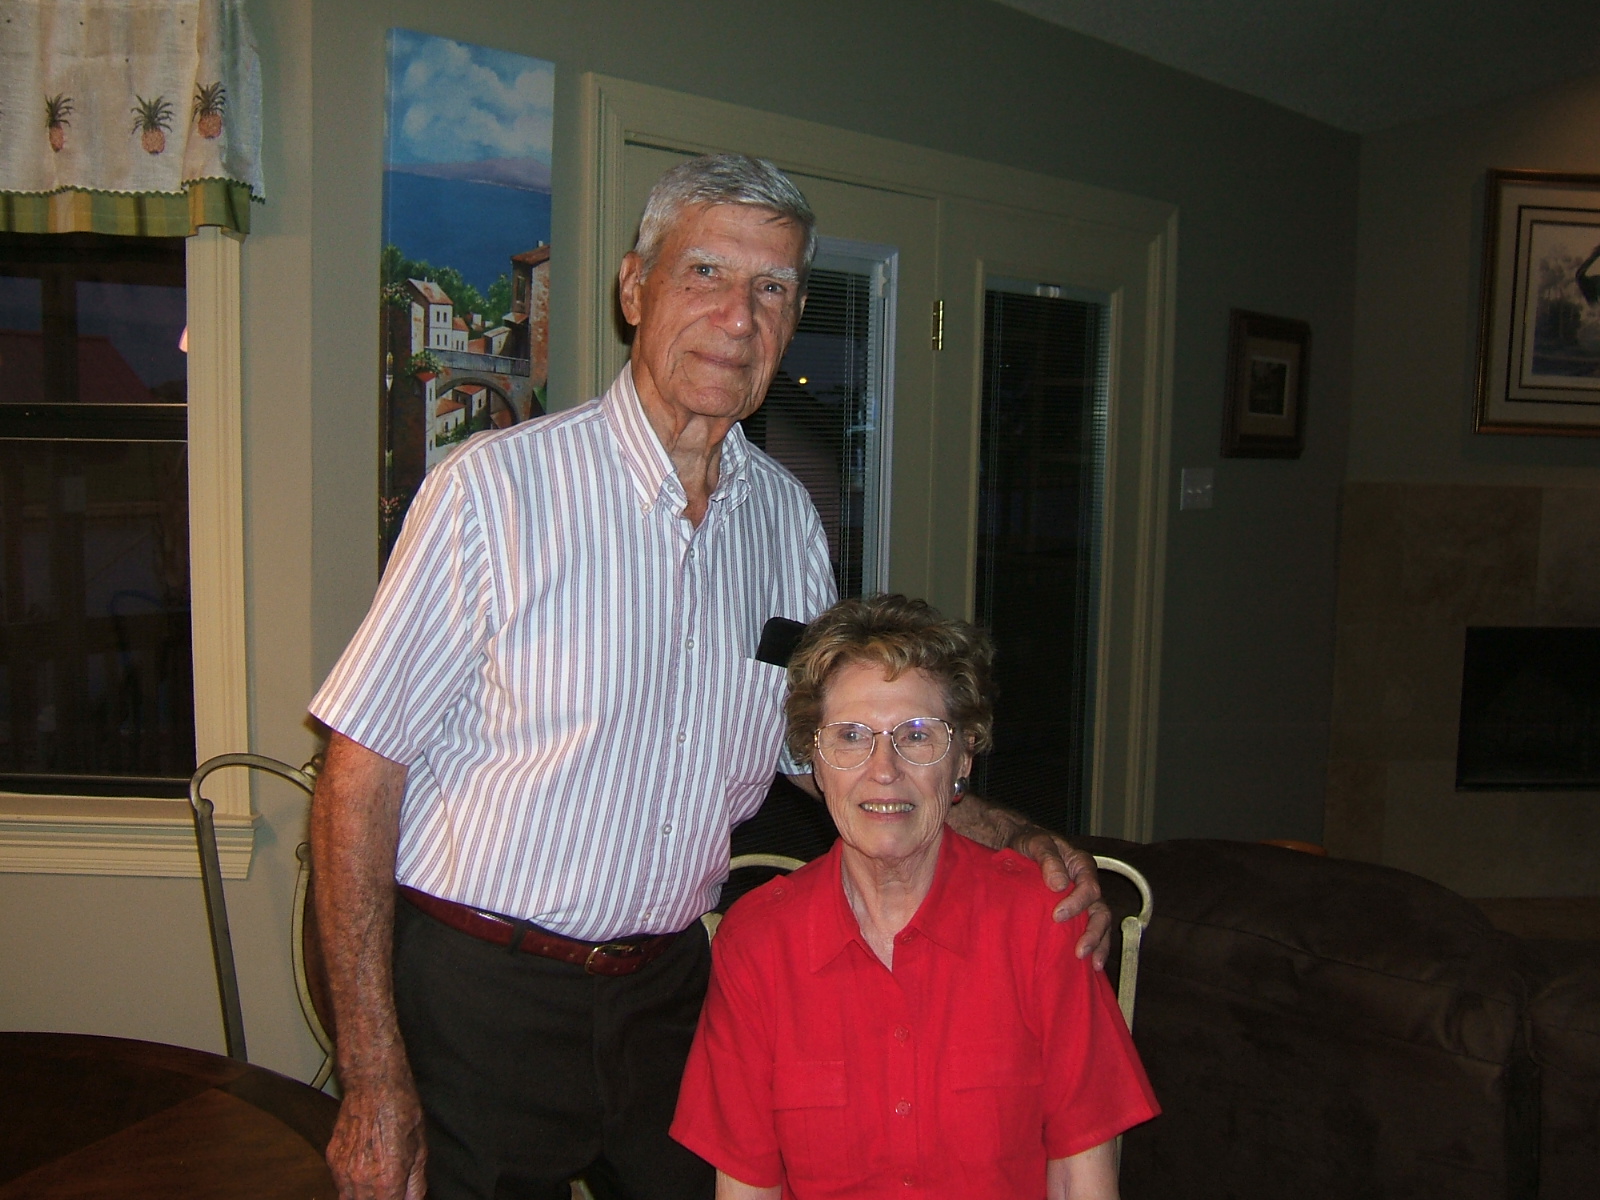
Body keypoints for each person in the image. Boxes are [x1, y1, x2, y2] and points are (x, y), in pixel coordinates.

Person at [308, 154, 1112, 1200]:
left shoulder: (786, 521)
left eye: (772, 288)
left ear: (794, 319)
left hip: (673, 989)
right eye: (706, 274)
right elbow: (358, 776)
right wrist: (372, 1076)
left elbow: (834, 748)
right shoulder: (494, 492)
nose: (738, 317)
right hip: (481, 996)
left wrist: (1013, 836)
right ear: (634, 288)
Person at [671, 594, 1159, 1199]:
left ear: (963, 759)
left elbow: (1081, 1182)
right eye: (851, 736)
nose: (884, 769)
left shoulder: (1043, 920)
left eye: (918, 736)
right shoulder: (758, 943)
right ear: (815, 762)